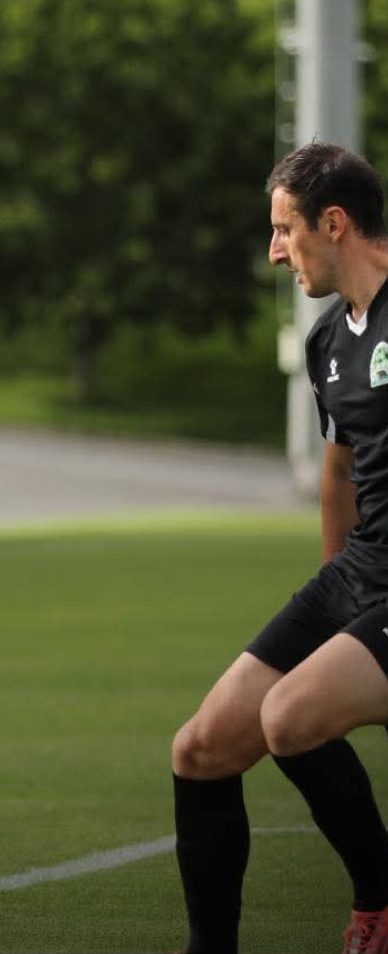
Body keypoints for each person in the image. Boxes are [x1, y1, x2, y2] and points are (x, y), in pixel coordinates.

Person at [172, 142, 388, 954]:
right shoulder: (329, 340)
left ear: (333, 223)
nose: (274, 251)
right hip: (359, 571)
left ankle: (379, 897)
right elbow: (339, 474)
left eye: (283, 229)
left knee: (289, 717)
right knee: (201, 748)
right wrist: (343, 609)